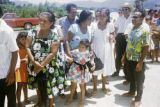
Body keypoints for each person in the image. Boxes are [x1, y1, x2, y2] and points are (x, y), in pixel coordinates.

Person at [26, 12, 67, 107]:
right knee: (38, 83)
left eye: (45, 21)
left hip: (49, 65)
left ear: (51, 23)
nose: (41, 22)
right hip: (34, 63)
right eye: (40, 20)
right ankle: (40, 101)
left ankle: (51, 104)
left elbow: (53, 52)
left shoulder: (54, 36)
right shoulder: (31, 32)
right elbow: (27, 46)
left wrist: (41, 65)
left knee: (50, 85)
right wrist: (33, 62)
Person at [122, 11, 149, 107]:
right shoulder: (132, 29)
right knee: (131, 77)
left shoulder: (144, 30)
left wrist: (140, 63)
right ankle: (131, 92)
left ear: (142, 19)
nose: (133, 19)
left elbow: (146, 47)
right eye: (133, 17)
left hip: (138, 60)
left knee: (139, 80)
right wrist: (124, 56)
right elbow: (129, 44)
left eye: (136, 17)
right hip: (129, 58)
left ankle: (138, 99)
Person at [65, 10, 93, 103]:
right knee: (74, 78)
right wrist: (69, 53)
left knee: (83, 76)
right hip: (75, 57)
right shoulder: (74, 27)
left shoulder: (89, 29)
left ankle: (83, 93)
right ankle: (74, 94)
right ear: (84, 18)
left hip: (84, 58)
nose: (91, 20)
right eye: (90, 18)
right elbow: (67, 41)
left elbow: (89, 43)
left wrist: (91, 54)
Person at [91, 8, 115, 95]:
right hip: (96, 50)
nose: (101, 17)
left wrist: (112, 37)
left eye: (104, 16)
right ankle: (94, 87)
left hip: (107, 50)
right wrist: (91, 51)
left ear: (107, 16)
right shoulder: (93, 25)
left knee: (105, 69)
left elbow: (112, 34)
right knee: (95, 70)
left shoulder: (110, 25)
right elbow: (91, 38)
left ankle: (104, 87)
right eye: (100, 15)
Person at [66, 39, 95, 107]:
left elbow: (92, 58)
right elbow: (69, 54)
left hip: (83, 72)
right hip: (75, 71)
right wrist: (69, 58)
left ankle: (82, 100)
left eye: (82, 47)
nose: (80, 48)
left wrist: (93, 64)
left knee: (82, 87)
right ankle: (70, 98)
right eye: (79, 46)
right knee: (73, 86)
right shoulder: (75, 51)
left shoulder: (88, 53)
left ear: (86, 47)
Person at [0, 7, 18, 107]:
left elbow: (15, 52)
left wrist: (11, 74)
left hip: (6, 76)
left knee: (11, 101)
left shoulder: (6, 31)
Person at [112, 2, 132, 85]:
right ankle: (117, 71)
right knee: (118, 56)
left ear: (130, 10)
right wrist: (114, 37)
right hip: (120, 37)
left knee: (128, 57)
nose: (125, 10)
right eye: (123, 9)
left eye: (126, 9)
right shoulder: (119, 18)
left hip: (129, 38)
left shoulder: (132, 18)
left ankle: (127, 75)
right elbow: (115, 27)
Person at [15, 32, 31, 107]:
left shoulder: (27, 47)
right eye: (22, 39)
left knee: (25, 85)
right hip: (19, 70)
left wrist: (27, 58)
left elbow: (29, 56)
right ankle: (18, 102)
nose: (24, 41)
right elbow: (15, 60)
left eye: (26, 39)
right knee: (19, 86)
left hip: (26, 69)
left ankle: (26, 98)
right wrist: (23, 60)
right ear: (18, 39)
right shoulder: (16, 48)